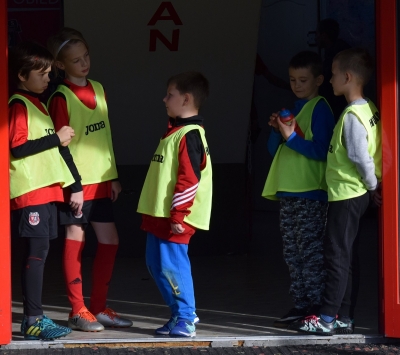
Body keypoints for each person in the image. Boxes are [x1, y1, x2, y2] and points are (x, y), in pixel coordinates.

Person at [291, 48, 382, 336]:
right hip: (354, 193)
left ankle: (328, 318)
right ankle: (343, 315)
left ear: (347, 76)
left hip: (348, 194)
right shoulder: (370, 109)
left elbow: (360, 157)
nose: (329, 81)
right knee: (346, 255)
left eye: (332, 75)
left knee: (336, 257)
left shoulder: (353, 115)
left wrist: (373, 186)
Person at [47, 28, 132, 332]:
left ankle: (98, 306)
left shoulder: (98, 87)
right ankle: (77, 309)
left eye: (86, 56)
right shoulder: (61, 96)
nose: (84, 63)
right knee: (76, 241)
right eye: (75, 60)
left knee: (110, 241)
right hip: (77, 186)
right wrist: (74, 186)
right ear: (60, 65)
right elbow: (60, 146)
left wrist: (114, 175)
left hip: (103, 181)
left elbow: (104, 137)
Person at [8, 41, 79, 340]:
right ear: (23, 76)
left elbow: (56, 151)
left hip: (47, 192)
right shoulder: (19, 104)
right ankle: (33, 320)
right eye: (42, 74)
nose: (48, 79)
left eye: (49, 73)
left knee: (41, 252)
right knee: (36, 254)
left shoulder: (37, 104)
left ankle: (36, 317)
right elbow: (18, 146)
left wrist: (74, 184)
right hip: (31, 193)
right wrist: (57, 138)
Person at [262, 51, 335, 328]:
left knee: (311, 253)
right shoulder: (295, 108)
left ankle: (316, 305)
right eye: (292, 79)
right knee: (293, 253)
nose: (297, 85)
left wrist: (290, 136)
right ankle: (302, 304)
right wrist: (276, 131)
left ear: (318, 80)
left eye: (303, 79)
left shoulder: (320, 108)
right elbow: (273, 150)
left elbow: (322, 150)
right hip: (289, 192)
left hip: (311, 193)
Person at [137, 72, 212, 337]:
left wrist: (179, 215)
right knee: (155, 265)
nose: (164, 99)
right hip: (159, 216)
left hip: (175, 219)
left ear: (187, 99)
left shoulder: (190, 134)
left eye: (170, 94)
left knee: (172, 265)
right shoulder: (175, 131)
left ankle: (186, 317)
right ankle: (177, 314)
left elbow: (190, 178)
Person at [316, 18, 351, 121]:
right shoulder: (335, 49)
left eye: (317, 34)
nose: (315, 38)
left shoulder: (338, 55)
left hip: (338, 104)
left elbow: (326, 83)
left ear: (324, 36)